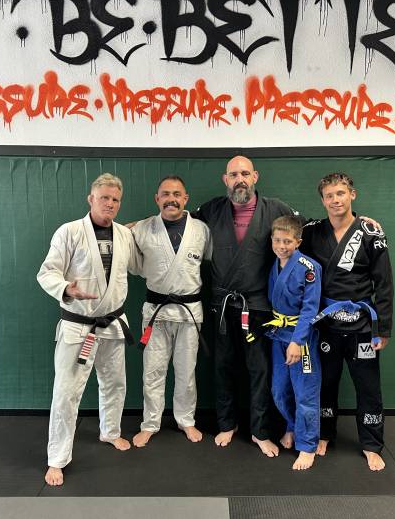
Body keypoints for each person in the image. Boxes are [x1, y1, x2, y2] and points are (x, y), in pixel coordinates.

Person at [37, 173, 140, 486]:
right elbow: (47, 273)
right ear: (91, 199)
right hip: (78, 326)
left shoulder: (124, 234)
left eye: (115, 199)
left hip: (112, 323)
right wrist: (66, 288)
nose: (110, 203)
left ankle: (110, 431)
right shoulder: (69, 231)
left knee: (115, 383)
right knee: (66, 393)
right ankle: (57, 459)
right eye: (104, 197)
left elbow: (138, 266)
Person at [192, 155, 296, 458]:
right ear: (226, 180)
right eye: (234, 174)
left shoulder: (276, 209)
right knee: (222, 366)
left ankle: (260, 430)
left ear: (255, 177)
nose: (240, 179)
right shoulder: (211, 209)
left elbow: (307, 230)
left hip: (258, 304)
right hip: (223, 305)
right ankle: (227, 424)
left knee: (259, 369)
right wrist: (135, 226)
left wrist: (359, 220)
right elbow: (177, 220)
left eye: (245, 174)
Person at [300, 172, 393, 472]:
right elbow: (283, 233)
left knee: (368, 386)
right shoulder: (312, 231)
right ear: (322, 200)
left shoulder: (370, 232)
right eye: (329, 195)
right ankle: (324, 433)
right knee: (325, 382)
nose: (335, 200)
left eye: (340, 193)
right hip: (326, 322)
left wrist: (383, 328)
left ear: (352, 194)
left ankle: (371, 444)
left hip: (362, 325)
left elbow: (384, 283)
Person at [130, 175, 211, 447]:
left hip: (189, 312)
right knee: (152, 371)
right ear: (157, 199)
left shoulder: (202, 230)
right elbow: (131, 262)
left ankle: (185, 420)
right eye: (165, 194)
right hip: (156, 311)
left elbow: (208, 260)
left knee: (187, 371)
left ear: (186, 198)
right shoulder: (141, 229)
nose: (171, 199)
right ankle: (150, 423)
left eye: (177, 194)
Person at [265, 216, 322, 470]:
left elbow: (310, 309)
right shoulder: (274, 264)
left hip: (301, 338)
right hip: (278, 334)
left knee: (305, 393)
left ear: (298, 242)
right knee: (279, 391)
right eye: (277, 240)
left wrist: (298, 341)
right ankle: (292, 426)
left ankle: (307, 446)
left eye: (287, 241)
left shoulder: (309, 268)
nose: (281, 246)